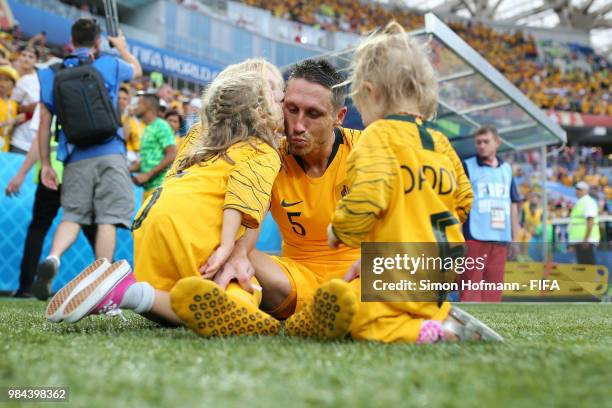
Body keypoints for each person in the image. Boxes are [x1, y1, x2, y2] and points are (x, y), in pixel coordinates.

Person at [44, 71, 284, 337]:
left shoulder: (204, 144)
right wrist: (227, 245)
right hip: (188, 232)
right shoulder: (263, 151)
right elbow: (239, 199)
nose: (282, 105)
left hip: (150, 225)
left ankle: (127, 289)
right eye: (279, 100)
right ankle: (131, 291)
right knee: (242, 289)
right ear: (262, 113)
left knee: (169, 301)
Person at [325, 21, 500, 343]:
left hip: (403, 264)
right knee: (364, 291)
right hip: (443, 264)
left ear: (369, 92)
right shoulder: (439, 140)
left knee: (364, 321)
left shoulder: (377, 136)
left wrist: (340, 230)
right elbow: (464, 199)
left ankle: (439, 333)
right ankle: (440, 315)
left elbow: (368, 195)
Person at [33, 18, 142, 300]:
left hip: (74, 156)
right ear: (97, 42)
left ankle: (53, 258)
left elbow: (45, 123)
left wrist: (46, 164)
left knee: (73, 216)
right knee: (109, 217)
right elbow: (138, 71)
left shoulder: (50, 73)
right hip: (110, 152)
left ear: (71, 40)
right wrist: (122, 47)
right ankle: (102, 282)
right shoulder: (109, 63)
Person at [5, 106, 97, 297]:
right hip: (77, 176)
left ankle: (26, 287)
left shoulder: (46, 106)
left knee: (38, 228)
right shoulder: (82, 105)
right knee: (92, 228)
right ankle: (112, 277)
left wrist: (20, 175)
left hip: (49, 175)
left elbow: (38, 145)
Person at [458, 125, 522, 302]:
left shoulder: (507, 170)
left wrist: (514, 238)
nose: (481, 145)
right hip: (474, 237)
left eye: (486, 141)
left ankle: (489, 327)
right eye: (478, 142)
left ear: (497, 143)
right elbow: (457, 203)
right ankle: (469, 329)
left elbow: (513, 205)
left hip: (500, 238)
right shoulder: (467, 166)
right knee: (470, 289)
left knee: (494, 290)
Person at [129, 94, 177, 202]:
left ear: (146, 106)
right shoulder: (147, 128)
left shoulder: (161, 125)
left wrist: (148, 174)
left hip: (160, 187)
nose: (135, 107)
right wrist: (128, 169)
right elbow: (149, 160)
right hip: (148, 190)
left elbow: (172, 154)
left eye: (138, 104)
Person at [10, 45, 39, 155]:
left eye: (31, 57)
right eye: (24, 55)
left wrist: (27, 110)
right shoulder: (7, 73)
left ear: (36, 61)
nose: (26, 59)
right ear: (18, 57)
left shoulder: (37, 81)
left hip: (23, 133)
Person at [568, 181, 599, 264]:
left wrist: (586, 240)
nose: (577, 191)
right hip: (581, 240)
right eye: (577, 189)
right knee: (583, 266)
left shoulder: (588, 202)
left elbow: (590, 221)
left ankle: (593, 277)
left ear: (586, 191)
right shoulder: (581, 202)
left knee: (587, 266)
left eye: (580, 189)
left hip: (585, 240)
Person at [0, 65, 23, 151]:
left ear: (13, 84)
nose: (1, 83)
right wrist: (12, 121)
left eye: (6, 80)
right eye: (0, 78)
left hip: (5, 146)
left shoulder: (13, 104)